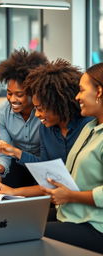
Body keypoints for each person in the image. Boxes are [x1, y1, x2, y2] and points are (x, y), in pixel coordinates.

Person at [0, 59, 92, 198]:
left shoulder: (89, 126)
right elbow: (46, 169)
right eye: (9, 93)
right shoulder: (46, 128)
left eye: (19, 94)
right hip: (47, 184)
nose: (37, 114)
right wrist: (11, 160)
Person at [42, 62, 103, 254]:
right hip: (71, 214)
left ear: (99, 92)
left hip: (95, 225)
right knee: (17, 221)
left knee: (26, 233)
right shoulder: (90, 128)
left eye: (82, 91)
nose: (77, 97)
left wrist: (70, 196)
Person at [0, 48, 48, 187]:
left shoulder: (47, 112)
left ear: (33, 92)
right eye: (9, 93)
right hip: (16, 163)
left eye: (19, 94)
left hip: (44, 164)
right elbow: (3, 149)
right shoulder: (1, 111)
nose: (12, 99)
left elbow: (47, 157)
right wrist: (0, 166)